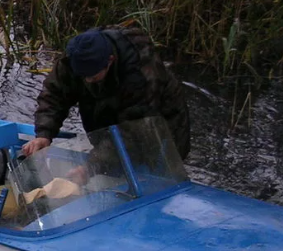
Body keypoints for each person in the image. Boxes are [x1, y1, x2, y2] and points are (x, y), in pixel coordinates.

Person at [20, 25, 190, 161]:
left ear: (110, 61)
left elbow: (133, 133)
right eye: (83, 76)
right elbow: (54, 95)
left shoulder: (141, 71)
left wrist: (93, 165)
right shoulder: (76, 57)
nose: (87, 81)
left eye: (93, 76)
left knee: (156, 168)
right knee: (109, 160)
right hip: (109, 110)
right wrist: (44, 134)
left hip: (159, 124)